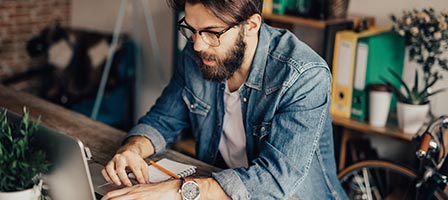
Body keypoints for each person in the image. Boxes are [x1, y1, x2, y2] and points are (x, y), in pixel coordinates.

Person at [101, 0, 348, 199]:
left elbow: (275, 179)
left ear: (251, 25)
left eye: (211, 32)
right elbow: (162, 120)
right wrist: (132, 150)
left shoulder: (305, 75)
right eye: (191, 29)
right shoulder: (198, 55)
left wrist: (179, 191)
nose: (197, 45)